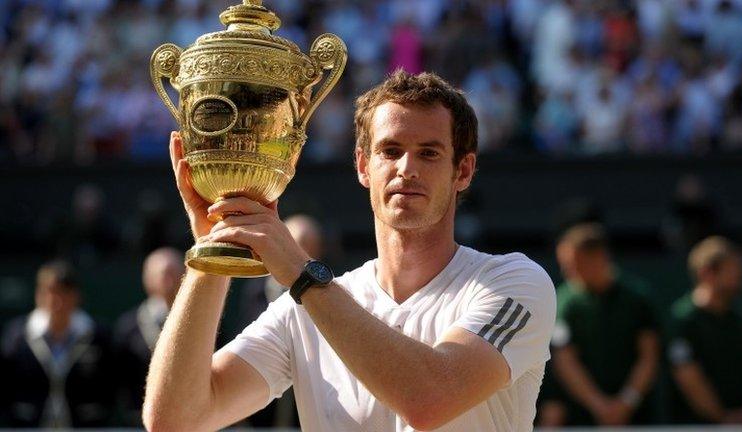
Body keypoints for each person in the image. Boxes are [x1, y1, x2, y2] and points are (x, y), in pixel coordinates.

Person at [143, 70, 556, 432]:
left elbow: (429, 402)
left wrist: (303, 276)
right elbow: (176, 420)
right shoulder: (303, 309)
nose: (406, 168)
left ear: (462, 171)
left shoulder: (515, 282)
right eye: (390, 151)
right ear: (362, 165)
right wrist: (211, 255)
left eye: (428, 153)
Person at [550, 223, 659, 426]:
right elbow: (565, 360)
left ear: (599, 257)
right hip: (582, 419)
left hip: (636, 418)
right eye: (564, 264)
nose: (567, 271)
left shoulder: (637, 299)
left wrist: (626, 402)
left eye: (575, 263)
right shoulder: (564, 302)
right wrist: (598, 405)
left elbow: (649, 357)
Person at [0, 261, 115, 428]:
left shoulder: (99, 336)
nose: (55, 301)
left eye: (63, 293)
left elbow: (110, 386)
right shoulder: (16, 335)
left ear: (76, 296)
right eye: (49, 292)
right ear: (38, 294)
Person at [668, 236, 742, 424]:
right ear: (707, 273)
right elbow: (688, 377)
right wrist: (724, 419)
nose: (740, 276)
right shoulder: (684, 320)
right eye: (732, 269)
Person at [237, 214, 324, 428]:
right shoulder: (255, 292)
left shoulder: (332, 292)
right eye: (298, 246)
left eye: (309, 248)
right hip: (264, 407)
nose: (302, 255)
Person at [113, 247, 184, 426]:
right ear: (148, 279)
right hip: (140, 420)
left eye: (175, 273)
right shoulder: (128, 327)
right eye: (163, 274)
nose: (169, 281)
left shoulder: (206, 320)